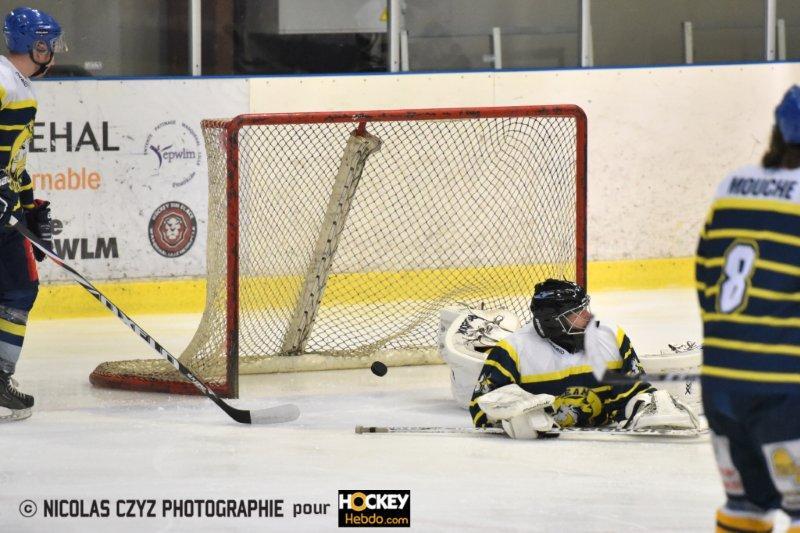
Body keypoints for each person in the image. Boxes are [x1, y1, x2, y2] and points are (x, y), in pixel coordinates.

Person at [696, 85, 800, 533]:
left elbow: (704, 275)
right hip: (786, 389)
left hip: (722, 386)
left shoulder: (730, 186)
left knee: (746, 509)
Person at [465, 278, 699, 439]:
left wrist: (642, 406)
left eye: (584, 308)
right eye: (576, 313)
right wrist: (515, 420)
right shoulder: (511, 351)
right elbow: (480, 407)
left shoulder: (612, 337)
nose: (587, 316)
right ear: (553, 321)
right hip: (537, 465)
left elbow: (632, 389)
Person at [0, 7, 65, 422]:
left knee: (19, 288)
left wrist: (29, 208)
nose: (55, 52)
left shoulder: (19, 86)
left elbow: (14, 163)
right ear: (36, 45)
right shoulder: (5, 81)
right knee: (19, 288)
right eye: (51, 44)